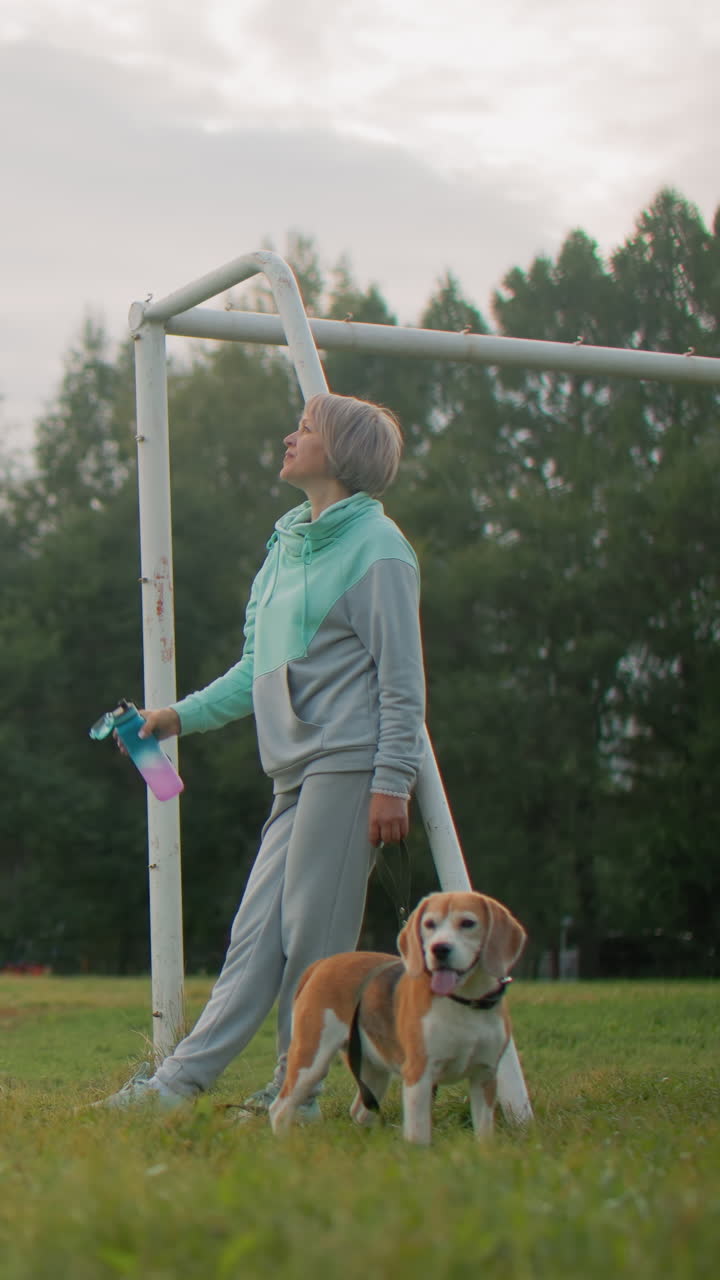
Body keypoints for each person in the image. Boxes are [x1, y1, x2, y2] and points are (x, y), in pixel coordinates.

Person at [98, 391, 426, 1116]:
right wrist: (170, 718)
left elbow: (403, 684)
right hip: (291, 772)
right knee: (253, 941)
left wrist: (392, 783)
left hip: (347, 764)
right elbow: (255, 672)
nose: (289, 437)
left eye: (304, 429)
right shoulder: (286, 547)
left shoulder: (380, 550)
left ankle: (296, 1096)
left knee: (314, 942)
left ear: (339, 453)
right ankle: (176, 1087)